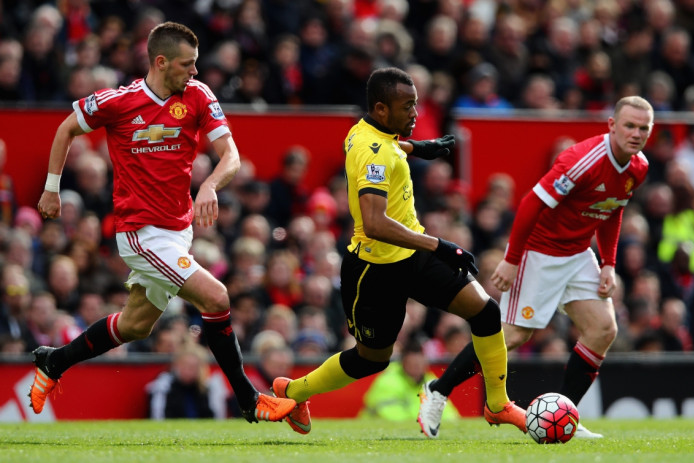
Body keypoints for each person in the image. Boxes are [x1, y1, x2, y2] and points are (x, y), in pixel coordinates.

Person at [30, 21, 296, 424]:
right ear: (161, 62)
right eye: (187, 65)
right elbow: (66, 128)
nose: (194, 72)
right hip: (140, 234)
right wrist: (52, 188)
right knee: (217, 298)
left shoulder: (198, 95)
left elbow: (232, 156)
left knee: (136, 325)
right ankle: (249, 398)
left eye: (196, 64)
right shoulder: (118, 102)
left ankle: (54, 362)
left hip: (178, 231)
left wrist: (209, 186)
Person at [270, 67, 525, 436]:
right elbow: (375, 222)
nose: (416, 114)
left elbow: (387, 146)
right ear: (381, 108)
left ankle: (498, 404)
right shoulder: (371, 151)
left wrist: (418, 147)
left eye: (417, 104)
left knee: (485, 312)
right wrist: (441, 245)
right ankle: (293, 391)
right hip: (374, 269)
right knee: (370, 360)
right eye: (407, 106)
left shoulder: (371, 132)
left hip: (411, 254)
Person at [416, 96, 654, 439]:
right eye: (629, 125)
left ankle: (564, 415)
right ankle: (438, 390)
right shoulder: (582, 160)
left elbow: (612, 209)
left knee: (604, 329)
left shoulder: (639, 167)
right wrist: (512, 260)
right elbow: (531, 203)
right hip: (539, 252)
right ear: (612, 125)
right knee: (513, 334)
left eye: (643, 128)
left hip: (577, 253)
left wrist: (609, 262)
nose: (636, 133)